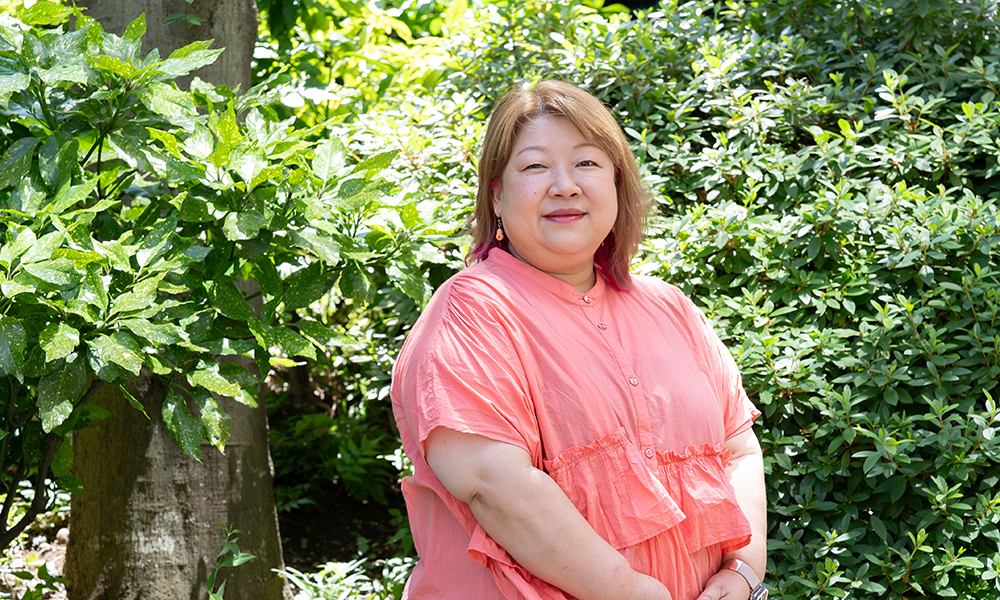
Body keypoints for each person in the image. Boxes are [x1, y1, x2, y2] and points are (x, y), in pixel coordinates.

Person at [390, 79, 767, 600]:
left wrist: (744, 572)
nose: (565, 185)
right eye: (535, 166)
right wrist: (632, 593)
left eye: (587, 162)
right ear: (496, 194)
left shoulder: (671, 308)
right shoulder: (472, 312)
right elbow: (493, 483)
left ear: (616, 182)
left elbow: (739, 449)